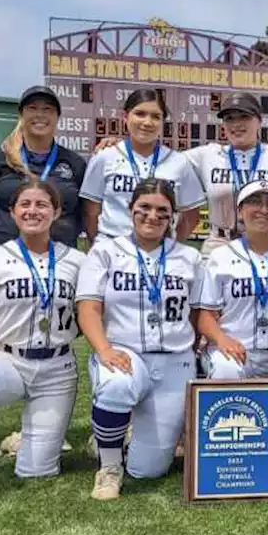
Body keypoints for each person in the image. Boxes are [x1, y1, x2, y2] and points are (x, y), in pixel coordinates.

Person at [0, 179, 84, 502]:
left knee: (37, 471)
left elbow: (91, 315)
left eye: (42, 205)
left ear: (57, 212)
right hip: (8, 357)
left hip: (58, 366)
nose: (33, 211)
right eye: (25, 204)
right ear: (11, 212)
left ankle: (22, 441)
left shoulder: (77, 262)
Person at [76, 179, 204, 500]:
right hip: (124, 351)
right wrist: (103, 349)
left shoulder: (189, 257)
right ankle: (108, 465)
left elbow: (198, 312)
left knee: (148, 470)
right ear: (130, 210)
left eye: (163, 210)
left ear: (173, 216)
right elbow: (89, 307)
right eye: (144, 208)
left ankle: (122, 435)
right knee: (116, 385)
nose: (152, 216)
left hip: (175, 361)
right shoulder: (106, 251)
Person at [0, 86, 87, 248]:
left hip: (58, 256)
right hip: (8, 253)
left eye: (48, 109)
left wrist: (67, 234)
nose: (40, 115)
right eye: (32, 108)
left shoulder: (75, 163)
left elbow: (86, 211)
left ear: (57, 117)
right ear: (21, 115)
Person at [79, 87, 204, 243]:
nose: (147, 122)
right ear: (125, 117)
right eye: (140, 114)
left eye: (156, 116)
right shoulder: (105, 157)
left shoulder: (179, 162)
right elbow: (91, 211)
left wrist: (171, 244)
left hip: (159, 249)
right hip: (113, 245)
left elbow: (191, 214)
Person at [195, 181, 268, 380]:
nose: (263, 210)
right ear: (240, 211)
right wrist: (222, 340)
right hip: (234, 351)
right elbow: (205, 317)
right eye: (255, 202)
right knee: (227, 370)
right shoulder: (220, 256)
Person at [185, 91, 268, 257]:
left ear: (259, 121)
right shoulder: (207, 155)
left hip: (267, 243)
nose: (236, 124)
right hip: (220, 244)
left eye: (244, 117)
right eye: (229, 118)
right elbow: (163, 161)